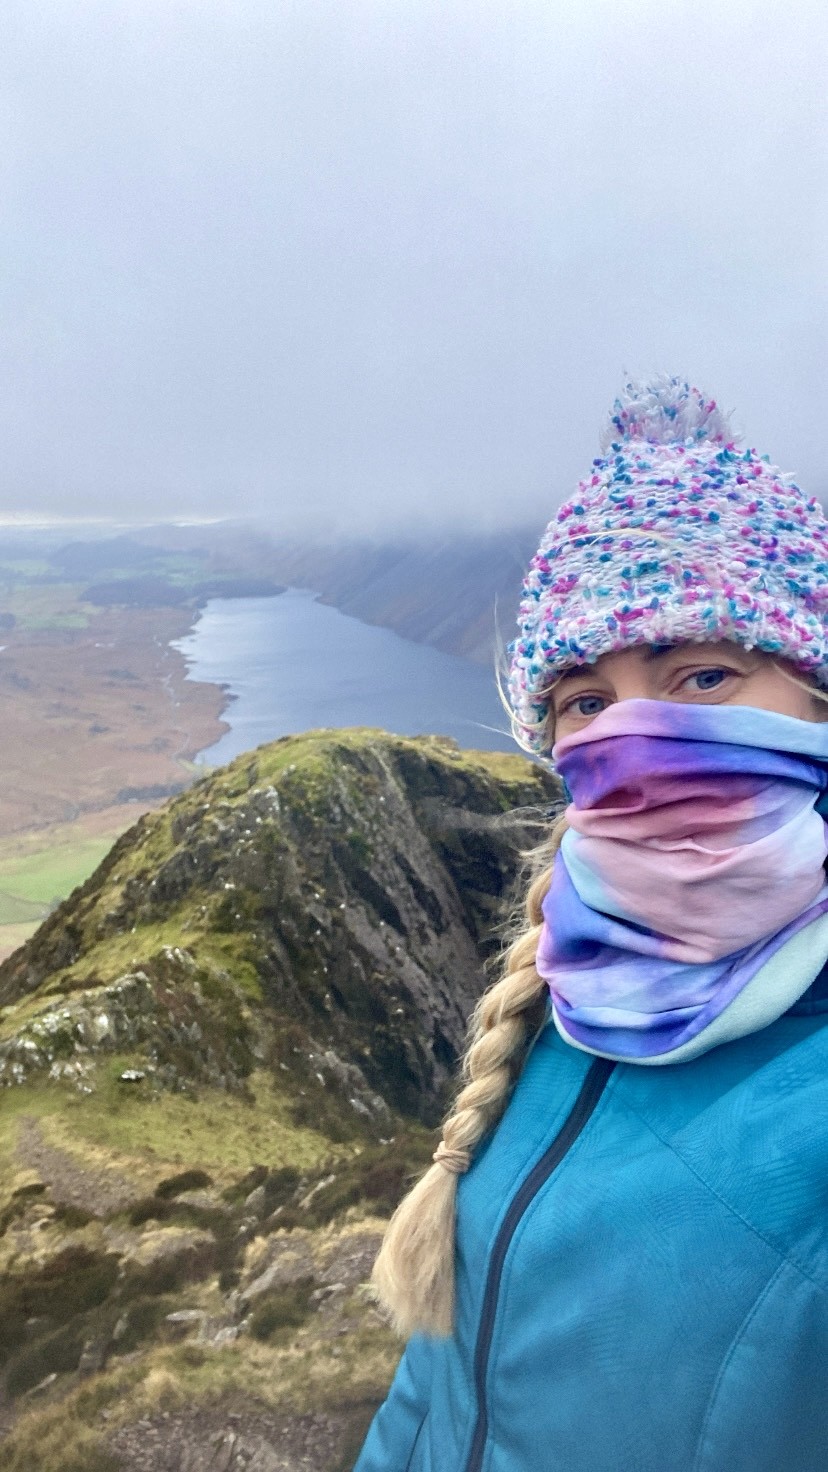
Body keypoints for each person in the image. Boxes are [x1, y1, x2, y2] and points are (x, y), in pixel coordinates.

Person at [353, 377, 828, 1472]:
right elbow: (438, 1381)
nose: (637, 735)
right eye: (585, 700)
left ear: (812, 695)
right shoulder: (570, 990)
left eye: (704, 674)